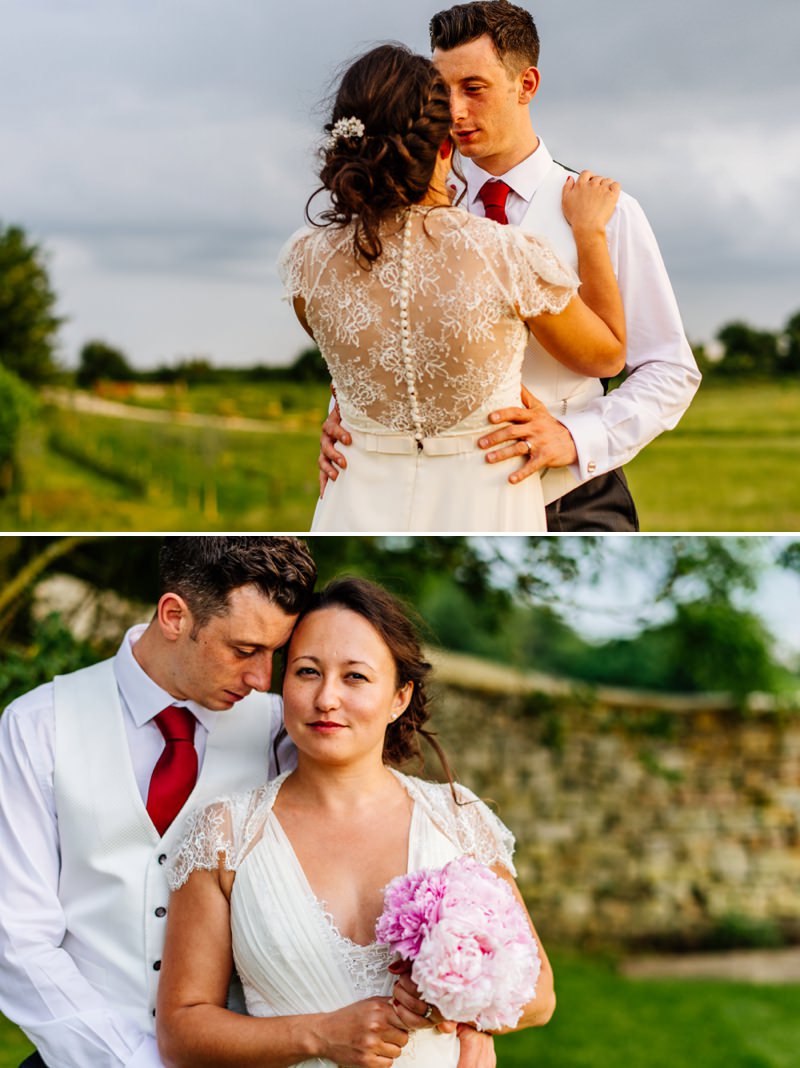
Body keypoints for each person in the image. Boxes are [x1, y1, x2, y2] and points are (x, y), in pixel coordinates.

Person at [319, 0, 702, 531]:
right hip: (441, 502)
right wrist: (345, 417)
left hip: (572, 498)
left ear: (526, 85)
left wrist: (574, 437)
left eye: (473, 89)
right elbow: (382, 332)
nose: (452, 112)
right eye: (440, 91)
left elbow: (669, 369)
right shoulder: (402, 214)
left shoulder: (606, 214)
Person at [156, 577, 553, 1067]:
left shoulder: (456, 819)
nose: (326, 698)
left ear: (399, 698)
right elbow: (181, 1029)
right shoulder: (224, 836)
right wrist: (319, 1035)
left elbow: (538, 993)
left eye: (356, 677)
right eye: (306, 672)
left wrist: (455, 1007)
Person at [281, 42, 627, 532]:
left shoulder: (306, 261)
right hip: (485, 497)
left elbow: (347, 363)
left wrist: (345, 413)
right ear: (446, 147)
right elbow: (607, 357)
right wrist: (590, 234)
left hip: (353, 493)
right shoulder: (506, 254)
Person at [0, 536, 317, 1068]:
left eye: (275, 654)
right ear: (174, 615)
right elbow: (17, 939)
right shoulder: (37, 727)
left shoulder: (279, 734)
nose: (264, 678)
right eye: (243, 650)